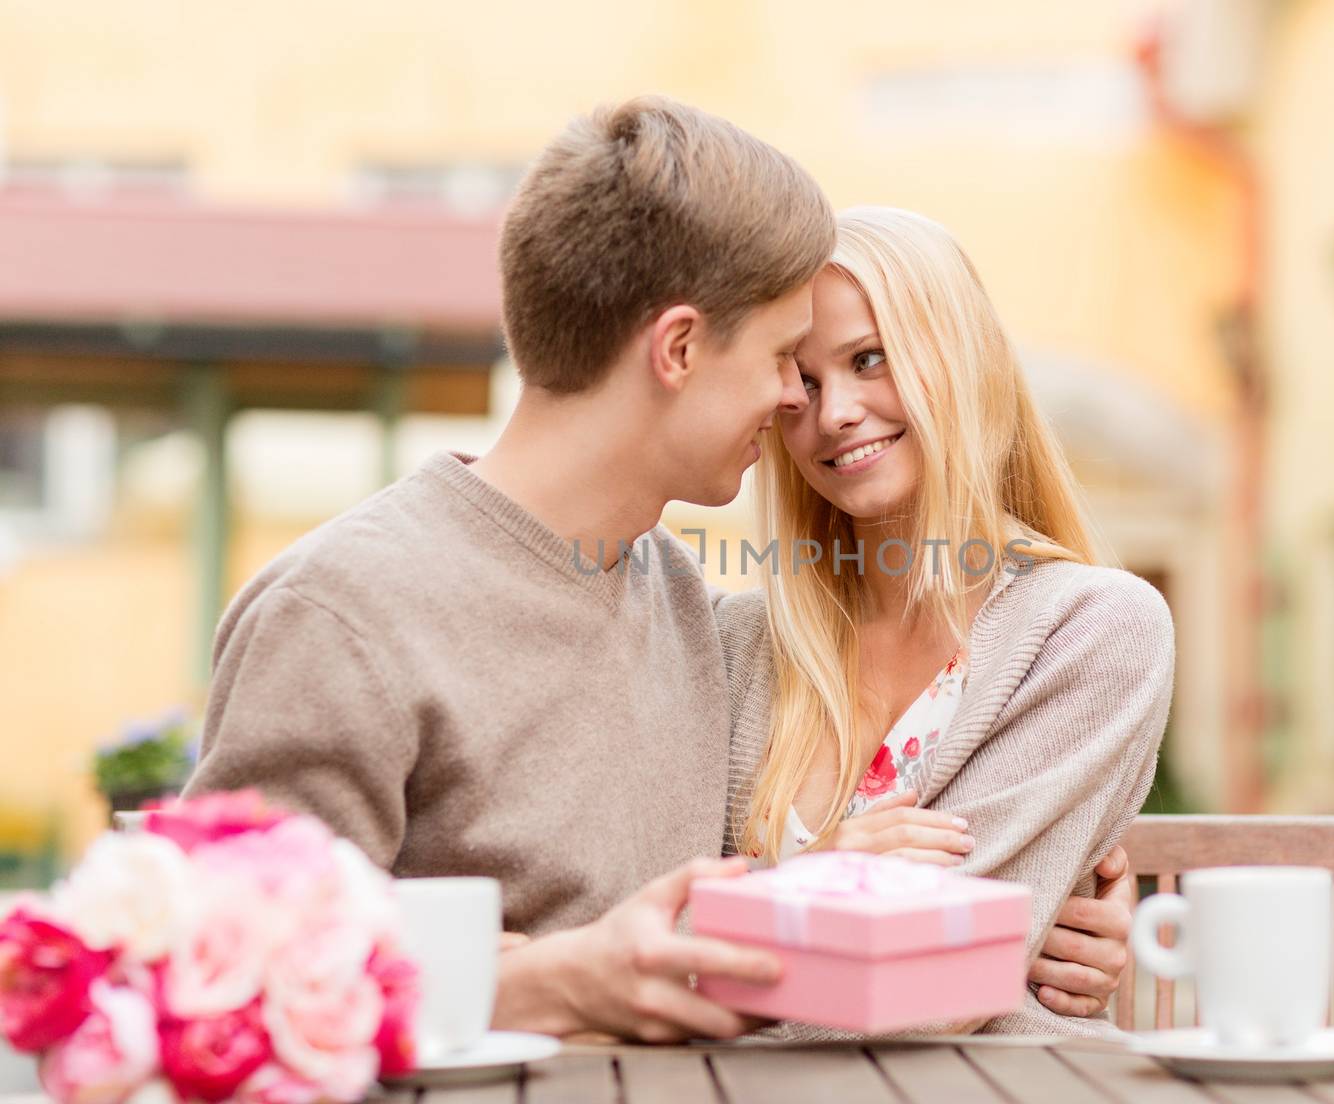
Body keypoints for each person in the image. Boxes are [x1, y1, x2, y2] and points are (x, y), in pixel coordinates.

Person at [184, 99, 1133, 1042]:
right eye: (782, 362)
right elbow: (228, 981)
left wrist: (1027, 932)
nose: (797, 403)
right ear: (678, 349)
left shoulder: (680, 603)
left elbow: (717, 902)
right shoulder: (344, 611)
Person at [717, 207, 1174, 1035]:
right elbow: (633, 932)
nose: (835, 414)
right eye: (803, 384)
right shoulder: (739, 644)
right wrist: (815, 887)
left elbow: (938, 997)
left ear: (959, 361)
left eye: (870, 360)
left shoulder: (1096, 630)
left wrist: (746, 935)